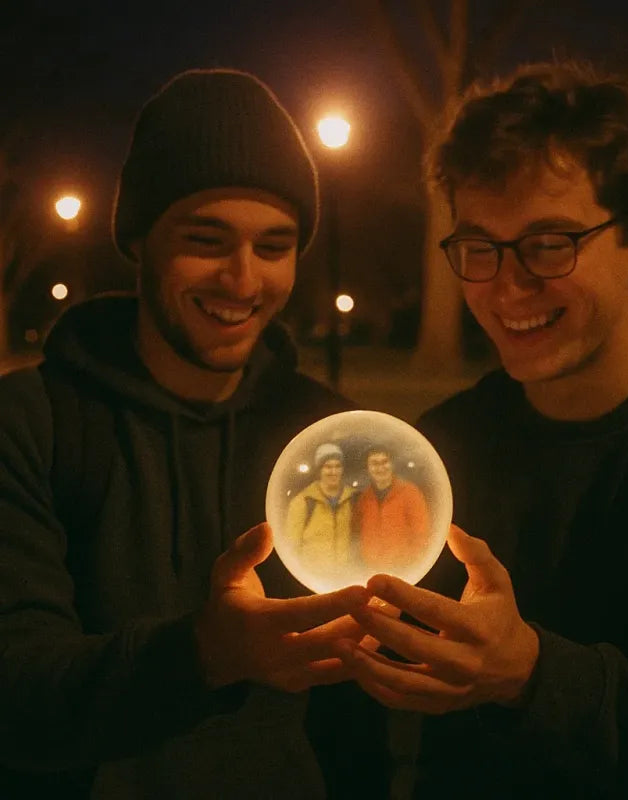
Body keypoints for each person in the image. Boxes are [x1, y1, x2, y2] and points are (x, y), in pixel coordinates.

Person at [337, 61, 628, 798]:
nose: (504, 286)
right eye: (477, 247)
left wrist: (530, 675)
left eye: (550, 243)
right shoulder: (438, 453)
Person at [0, 68, 388, 799]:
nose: (242, 280)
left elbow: (355, 723)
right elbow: (19, 696)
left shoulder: (327, 436)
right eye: (207, 240)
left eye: (274, 247)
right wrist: (205, 654)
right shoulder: (35, 425)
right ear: (140, 240)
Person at [355, 445, 429, 571]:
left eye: (385, 462)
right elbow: (358, 534)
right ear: (368, 468)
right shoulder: (364, 499)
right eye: (374, 463)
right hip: (371, 572)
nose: (380, 468)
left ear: (392, 464)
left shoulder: (410, 493)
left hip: (403, 571)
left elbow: (422, 535)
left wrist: (412, 566)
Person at [286, 443, 357, 573]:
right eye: (328, 467)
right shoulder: (303, 502)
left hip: (345, 575)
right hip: (313, 576)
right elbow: (291, 546)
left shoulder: (352, 499)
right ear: (319, 470)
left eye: (337, 466)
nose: (333, 472)